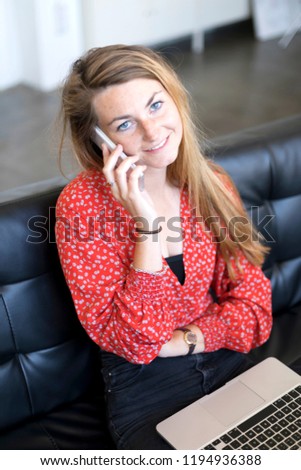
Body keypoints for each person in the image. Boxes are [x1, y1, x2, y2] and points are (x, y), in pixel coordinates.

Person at [55, 44, 272, 449]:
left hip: (225, 359)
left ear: (175, 97)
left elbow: (256, 308)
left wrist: (188, 340)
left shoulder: (211, 181)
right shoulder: (81, 206)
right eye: (124, 124)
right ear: (100, 140)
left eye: (155, 105)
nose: (152, 132)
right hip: (147, 387)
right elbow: (135, 344)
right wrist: (147, 229)